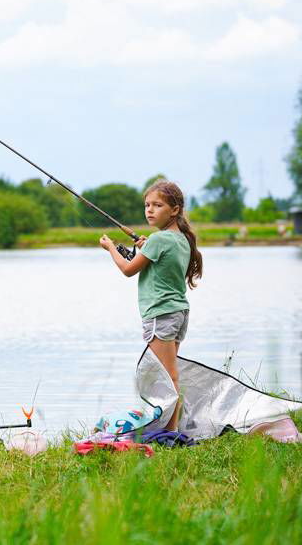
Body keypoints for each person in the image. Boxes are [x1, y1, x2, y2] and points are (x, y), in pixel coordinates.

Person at [99, 180, 203, 430]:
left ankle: (170, 431)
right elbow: (161, 263)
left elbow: (128, 270)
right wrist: (145, 248)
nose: (150, 210)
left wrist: (110, 248)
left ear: (175, 210)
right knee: (169, 374)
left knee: (168, 376)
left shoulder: (158, 240)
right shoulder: (181, 239)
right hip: (178, 312)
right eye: (147, 205)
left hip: (161, 313)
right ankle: (170, 427)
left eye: (157, 205)